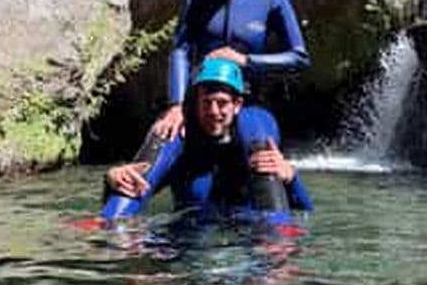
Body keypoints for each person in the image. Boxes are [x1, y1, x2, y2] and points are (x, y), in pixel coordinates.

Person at [154, 0, 309, 142]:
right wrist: (176, 105)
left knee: (262, 157)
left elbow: (299, 59)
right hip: (200, 101)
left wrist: (246, 61)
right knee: (156, 144)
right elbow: (180, 50)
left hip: (248, 104)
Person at [101, 57, 312, 224]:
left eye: (222, 103)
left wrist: (291, 178)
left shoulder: (252, 140)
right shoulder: (181, 149)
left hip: (244, 243)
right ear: (196, 103)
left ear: (237, 104)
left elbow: (306, 213)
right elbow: (133, 197)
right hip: (186, 244)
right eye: (206, 103)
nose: (213, 111)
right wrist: (112, 178)